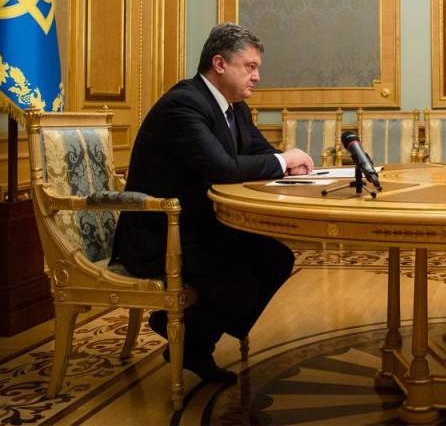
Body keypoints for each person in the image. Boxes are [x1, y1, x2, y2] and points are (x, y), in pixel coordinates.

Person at [112, 22, 313, 383]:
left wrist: (288, 164)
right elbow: (223, 168)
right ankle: (193, 341)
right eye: (250, 67)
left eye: (257, 68)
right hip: (162, 235)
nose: (257, 76)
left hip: (202, 226)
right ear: (220, 64)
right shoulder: (183, 105)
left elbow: (260, 153)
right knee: (240, 285)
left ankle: (191, 334)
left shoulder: (235, 108)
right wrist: (284, 160)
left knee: (277, 259)